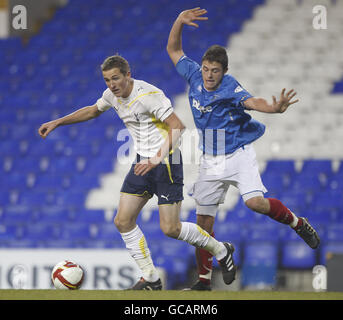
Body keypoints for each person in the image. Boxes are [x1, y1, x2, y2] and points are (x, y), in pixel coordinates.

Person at [38, 54, 237, 290]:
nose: (112, 84)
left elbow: (178, 126)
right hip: (142, 162)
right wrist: (58, 122)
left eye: (115, 78)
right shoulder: (111, 95)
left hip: (166, 162)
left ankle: (222, 250)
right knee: (123, 220)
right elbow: (93, 110)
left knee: (170, 229)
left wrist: (156, 158)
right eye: (107, 80)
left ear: (127, 75)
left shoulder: (148, 95)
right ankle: (151, 278)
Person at [167, 7, 320, 291]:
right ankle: (203, 281)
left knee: (255, 204)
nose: (209, 75)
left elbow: (252, 102)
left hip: (238, 154)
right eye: (206, 69)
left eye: (215, 71)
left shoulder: (229, 86)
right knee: (202, 226)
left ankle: (298, 223)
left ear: (224, 72)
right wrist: (179, 21)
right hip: (209, 160)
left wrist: (273, 108)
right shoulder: (194, 76)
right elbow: (174, 49)